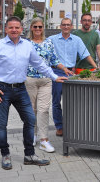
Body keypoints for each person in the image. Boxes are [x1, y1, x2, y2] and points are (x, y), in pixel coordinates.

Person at [0, 16, 68, 170]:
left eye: (17, 27)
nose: (14, 30)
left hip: (21, 89)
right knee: (1, 125)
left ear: (22, 29)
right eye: (11, 27)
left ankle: (29, 154)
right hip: (2, 89)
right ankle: (5, 154)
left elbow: (39, 65)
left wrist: (54, 76)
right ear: (6, 29)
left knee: (30, 120)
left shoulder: (27, 46)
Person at [25, 17, 70, 153]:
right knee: (32, 110)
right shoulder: (26, 43)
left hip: (46, 80)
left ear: (43, 28)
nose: (38, 29)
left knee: (44, 110)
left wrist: (64, 68)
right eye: (35, 27)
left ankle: (44, 140)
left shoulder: (49, 42)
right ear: (31, 28)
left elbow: (54, 60)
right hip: (30, 80)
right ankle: (32, 135)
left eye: (40, 27)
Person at [48, 17, 97, 136]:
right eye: (63, 25)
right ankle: (59, 127)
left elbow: (85, 54)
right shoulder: (51, 39)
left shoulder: (77, 40)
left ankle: (72, 126)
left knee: (72, 102)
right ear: (60, 26)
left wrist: (96, 67)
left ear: (71, 27)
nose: (65, 27)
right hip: (57, 73)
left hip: (71, 73)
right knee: (56, 101)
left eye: (68, 25)